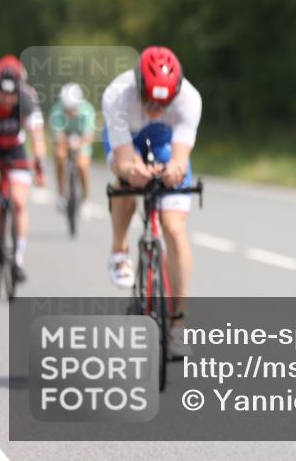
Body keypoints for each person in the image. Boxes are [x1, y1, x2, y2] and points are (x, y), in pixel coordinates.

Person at [101, 46, 201, 358]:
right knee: (127, 182)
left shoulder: (190, 98)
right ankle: (119, 250)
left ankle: (177, 324)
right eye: (150, 101)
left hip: (163, 143)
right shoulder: (117, 96)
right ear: (138, 87)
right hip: (126, 141)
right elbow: (123, 158)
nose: (156, 109)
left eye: (164, 103)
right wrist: (132, 169)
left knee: (174, 228)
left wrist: (174, 169)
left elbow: (181, 156)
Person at [0, 55, 47, 282]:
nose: (6, 99)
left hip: (15, 150)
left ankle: (18, 259)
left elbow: (37, 136)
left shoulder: (28, 99)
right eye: (1, 93)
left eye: (11, 95)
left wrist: (40, 164)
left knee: (20, 202)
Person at [49, 82, 97, 215]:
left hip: (81, 141)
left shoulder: (87, 110)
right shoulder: (57, 110)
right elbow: (57, 135)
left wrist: (79, 143)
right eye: (67, 108)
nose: (70, 111)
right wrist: (67, 143)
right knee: (59, 156)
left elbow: (89, 136)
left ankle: (86, 199)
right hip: (64, 140)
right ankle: (60, 194)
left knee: (82, 165)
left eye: (73, 108)